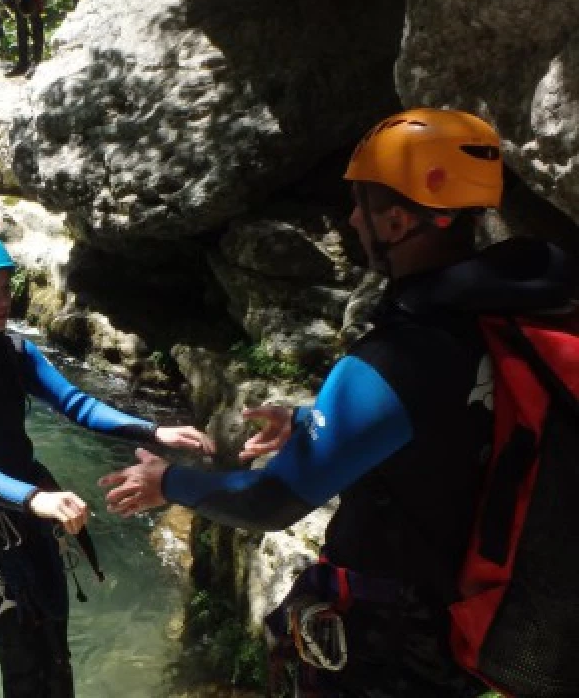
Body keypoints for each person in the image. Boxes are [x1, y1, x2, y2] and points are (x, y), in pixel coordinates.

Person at [97, 108, 576, 697]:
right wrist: (308, 420)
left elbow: (269, 504)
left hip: (383, 650)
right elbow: (451, 423)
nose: (351, 218)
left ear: (398, 220)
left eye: (362, 204)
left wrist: (169, 484)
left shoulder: (399, 354)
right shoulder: (505, 317)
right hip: (455, 631)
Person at [0, 231, 213, 697]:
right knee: (21, 665)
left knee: (55, 646)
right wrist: (34, 498)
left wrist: (154, 431)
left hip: (35, 513)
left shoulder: (15, 351)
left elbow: (75, 403)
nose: (1, 301)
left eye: (4, 287)